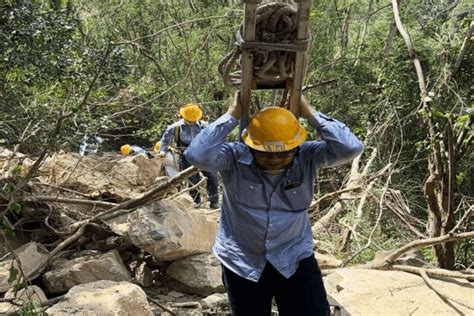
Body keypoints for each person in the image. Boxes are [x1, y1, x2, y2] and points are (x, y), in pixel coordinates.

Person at [185, 92, 364, 315]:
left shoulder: (308, 156)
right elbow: (196, 155)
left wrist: (310, 113)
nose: (275, 158)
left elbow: (351, 148)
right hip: (242, 260)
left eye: (284, 153)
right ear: (250, 145)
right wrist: (232, 115)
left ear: (296, 146)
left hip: (294, 256)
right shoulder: (233, 158)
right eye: (265, 153)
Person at [158, 103, 219, 209]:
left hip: (204, 156)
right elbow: (165, 140)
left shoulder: (204, 125)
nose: (191, 123)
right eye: (189, 121)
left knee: (212, 176)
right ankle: (196, 202)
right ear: (183, 116)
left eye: (193, 121)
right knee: (193, 180)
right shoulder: (175, 127)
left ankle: (214, 201)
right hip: (186, 157)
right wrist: (162, 151)